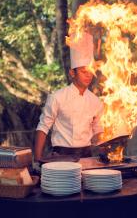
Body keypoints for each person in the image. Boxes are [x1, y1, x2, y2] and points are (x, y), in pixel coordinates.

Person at [34, 32, 104, 161]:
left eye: (90, 71)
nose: (88, 75)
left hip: (87, 157)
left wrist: (106, 149)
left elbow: (97, 130)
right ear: (72, 73)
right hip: (61, 156)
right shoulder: (57, 97)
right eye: (83, 71)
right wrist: (37, 159)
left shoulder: (95, 101)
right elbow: (43, 127)